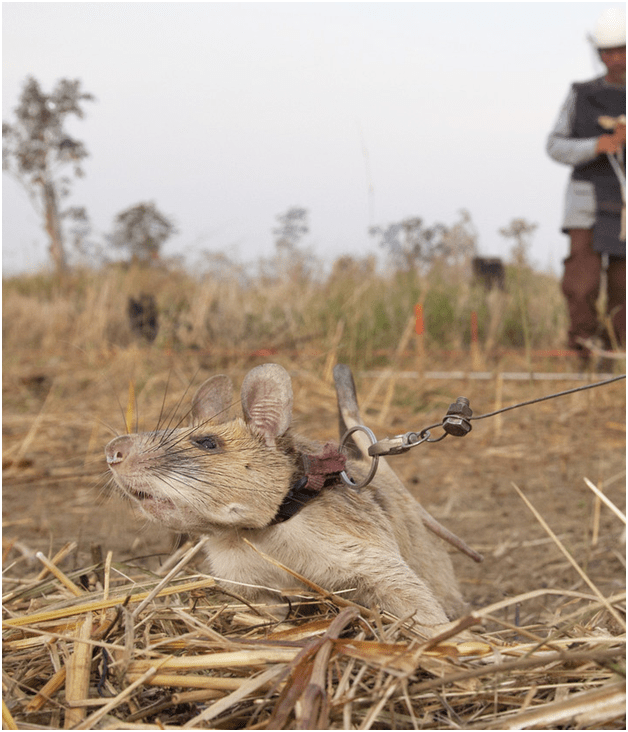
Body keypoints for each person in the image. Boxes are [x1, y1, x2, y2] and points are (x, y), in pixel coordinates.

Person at [547, 7, 626, 364]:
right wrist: (597, 145)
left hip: (624, 204)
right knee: (581, 285)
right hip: (586, 205)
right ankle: (582, 354)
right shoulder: (580, 94)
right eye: (608, 51)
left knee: (623, 287)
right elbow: (555, 145)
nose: (615, 58)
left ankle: (618, 356)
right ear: (599, 54)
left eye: (622, 49)